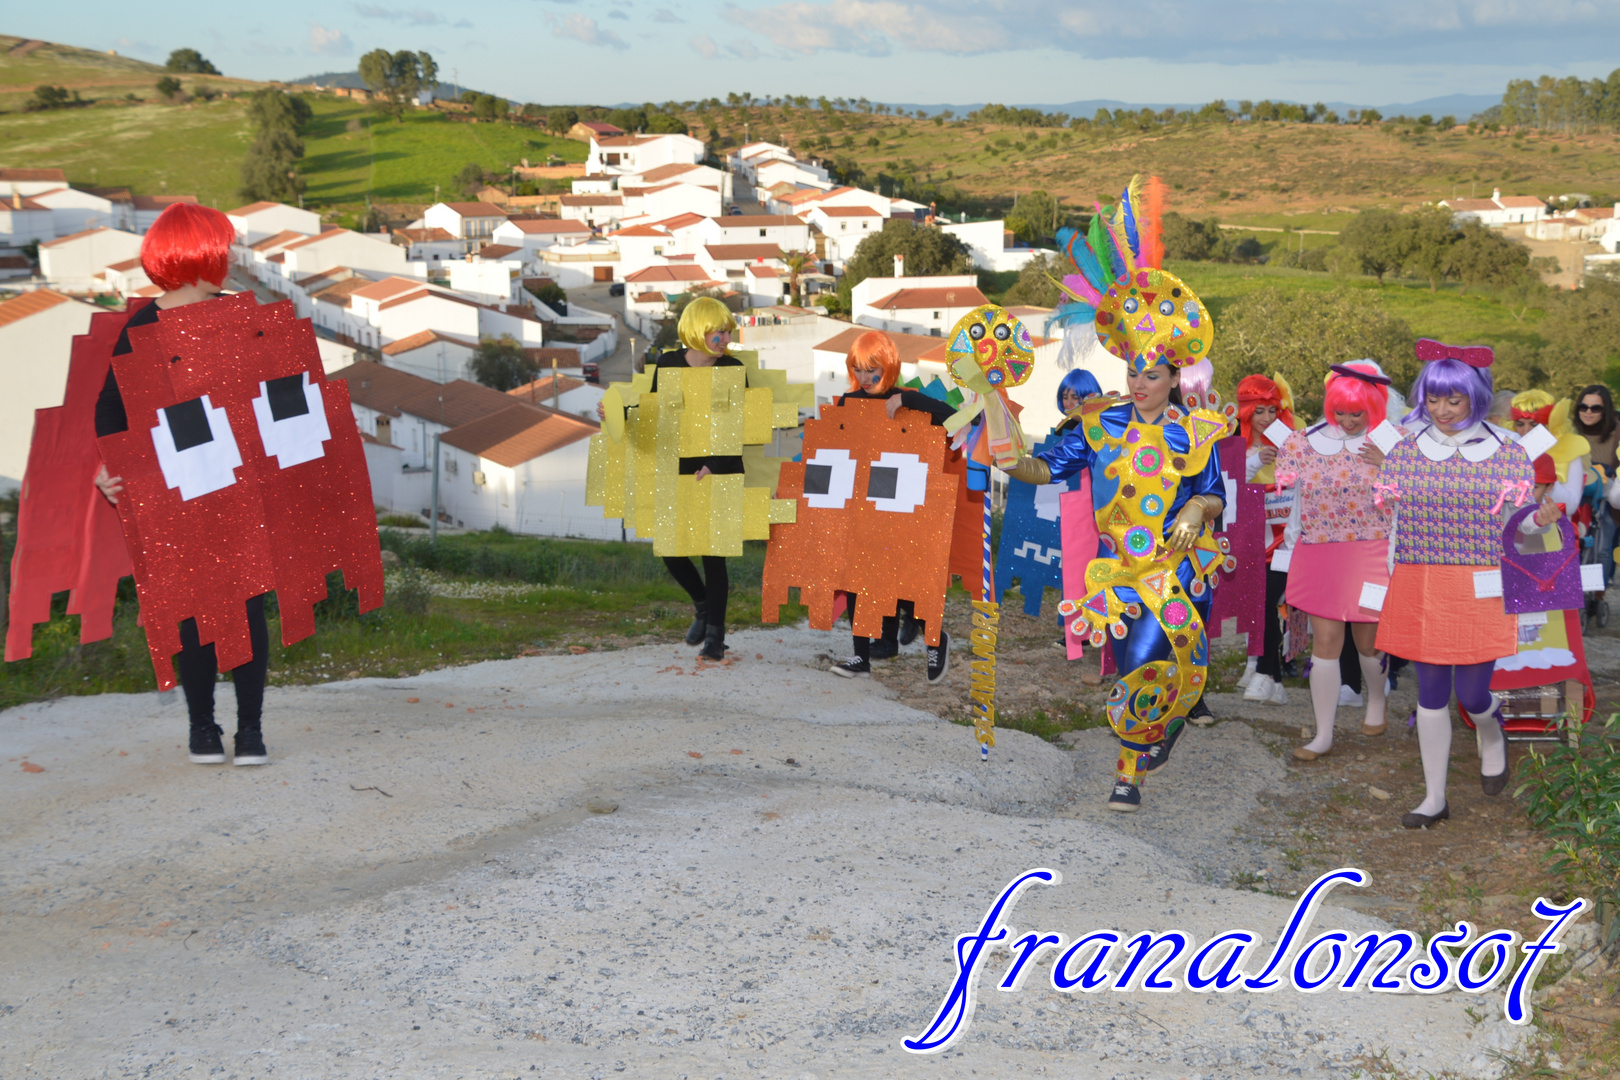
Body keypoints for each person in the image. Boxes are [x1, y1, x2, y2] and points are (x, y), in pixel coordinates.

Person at [91, 203, 270, 767]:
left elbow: (275, 393)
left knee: (246, 603)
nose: (232, 254)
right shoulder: (141, 329)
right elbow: (110, 412)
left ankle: (250, 731)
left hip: (239, 489)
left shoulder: (241, 316)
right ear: (200, 253)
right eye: (224, 244)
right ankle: (202, 728)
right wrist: (108, 470)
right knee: (192, 608)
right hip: (177, 492)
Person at [1007, 355, 1226, 811]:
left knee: (1142, 663)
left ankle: (1127, 778)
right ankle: (1166, 722)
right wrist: (1007, 459)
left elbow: (1215, 493)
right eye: (1133, 373)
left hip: (1173, 568)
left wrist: (1195, 508)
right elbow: (1045, 469)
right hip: (1116, 568)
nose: (1139, 383)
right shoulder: (1099, 424)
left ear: (1173, 380)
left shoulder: (1195, 429)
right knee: (1130, 666)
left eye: (1152, 375)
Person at [1374, 340, 1556, 829]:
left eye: (1453, 400)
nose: (1442, 410)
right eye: (1433, 399)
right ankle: (1434, 797)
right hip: (1420, 579)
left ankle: (1491, 730)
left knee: (1473, 696)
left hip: (1483, 582)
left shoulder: (1507, 452)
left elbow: (1522, 527)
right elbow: (1388, 521)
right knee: (1429, 692)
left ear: (1474, 396)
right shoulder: (1406, 449)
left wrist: (1539, 520)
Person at [1274, 362, 1394, 761]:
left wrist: (1390, 464)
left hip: (1371, 551)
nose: (1345, 420)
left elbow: (1413, 498)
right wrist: (1289, 550)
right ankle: (1323, 734)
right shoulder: (1303, 441)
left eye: (1356, 412)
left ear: (1374, 407)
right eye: (1338, 411)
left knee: (1368, 641)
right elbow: (1294, 502)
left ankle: (1377, 700)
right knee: (1325, 643)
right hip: (1319, 548)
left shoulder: (1394, 441)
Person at [826, 330, 956, 683]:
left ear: (889, 367)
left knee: (905, 580)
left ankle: (935, 639)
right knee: (856, 579)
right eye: (860, 369)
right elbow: (834, 450)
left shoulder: (906, 398)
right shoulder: (847, 402)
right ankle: (861, 656)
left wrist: (909, 403)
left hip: (902, 508)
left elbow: (957, 418)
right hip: (860, 507)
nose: (866, 378)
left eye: (874, 370)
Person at [1236, 373, 1301, 705]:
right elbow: (1227, 484)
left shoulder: (1293, 442)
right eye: (1257, 411)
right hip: (1251, 538)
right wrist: (1252, 462)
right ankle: (1267, 675)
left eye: (1271, 410)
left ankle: (1265, 672)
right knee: (1257, 604)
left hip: (1286, 540)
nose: (1265, 418)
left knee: (1270, 603)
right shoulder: (1238, 443)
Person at [1572, 384, 1618, 585]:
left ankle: (1597, 591)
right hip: (1575, 494)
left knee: (1602, 548)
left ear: (1605, 409)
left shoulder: (1616, 431)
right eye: (1583, 407)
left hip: (1608, 496)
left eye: (1595, 408)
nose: (1588, 412)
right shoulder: (1570, 431)